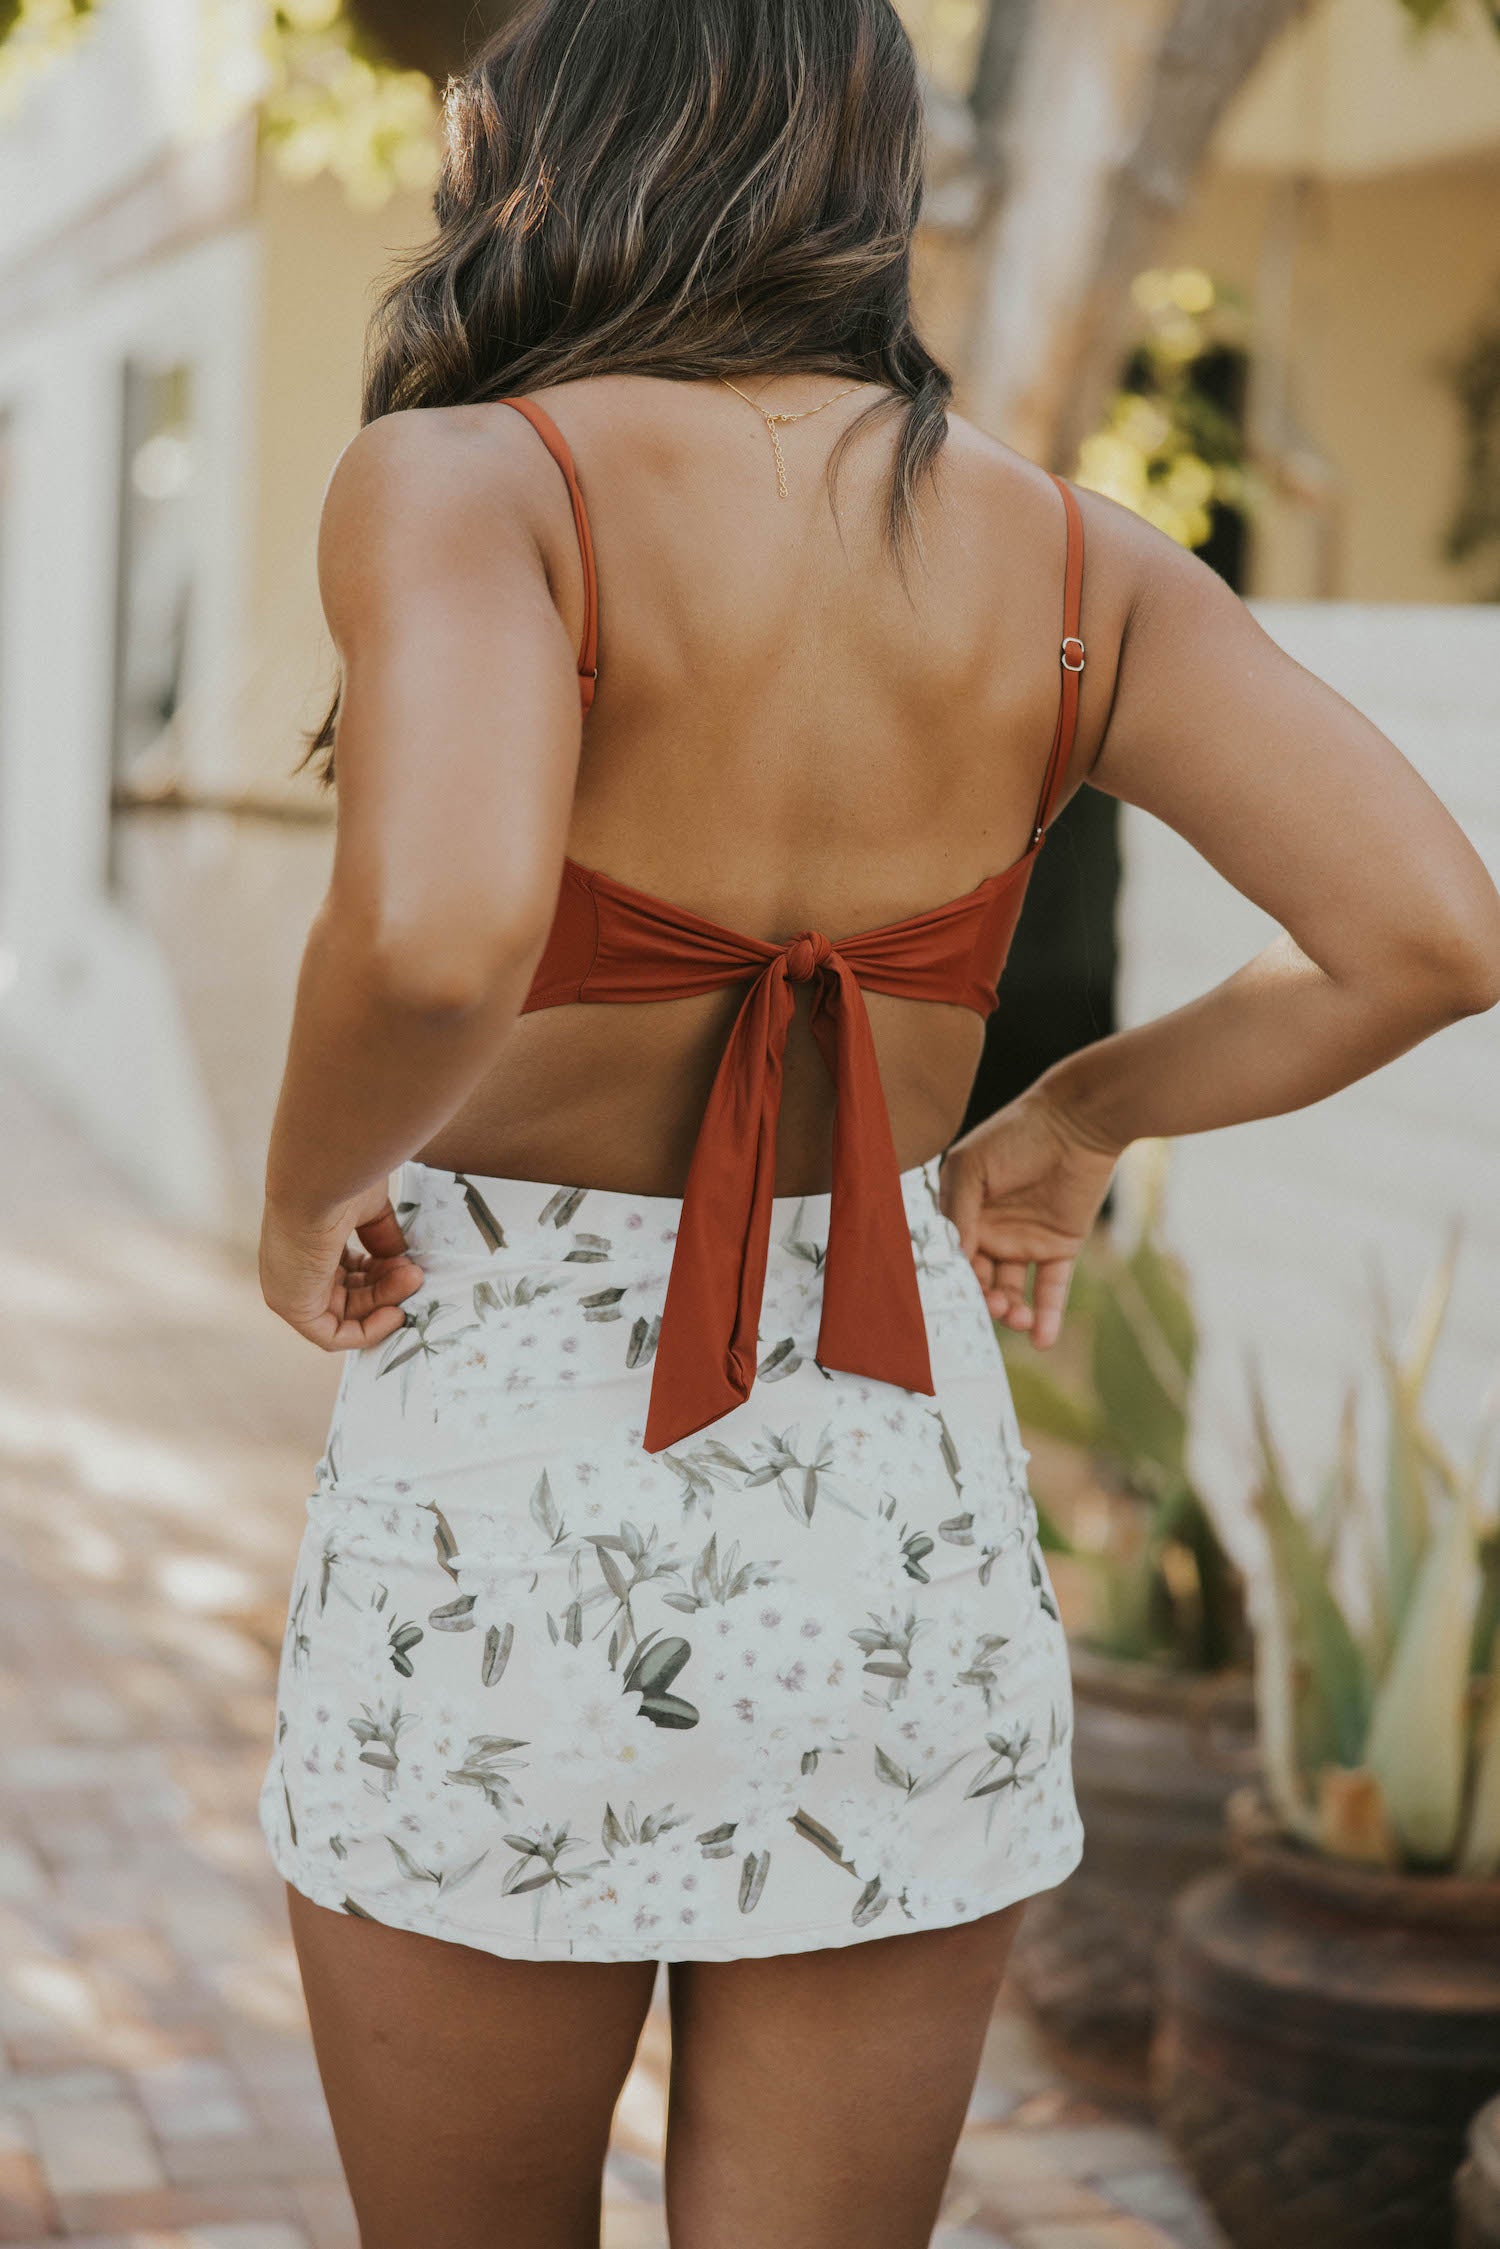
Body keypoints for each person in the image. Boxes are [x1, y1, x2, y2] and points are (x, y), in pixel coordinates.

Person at [254, 2, 1500, 2243]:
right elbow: (1429, 930)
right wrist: (1075, 1115)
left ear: (546, 141)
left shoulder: (475, 477)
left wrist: (298, 1191)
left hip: (507, 1534)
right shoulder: (1064, 559)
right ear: (862, 174)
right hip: (893, 1519)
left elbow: (443, 932)